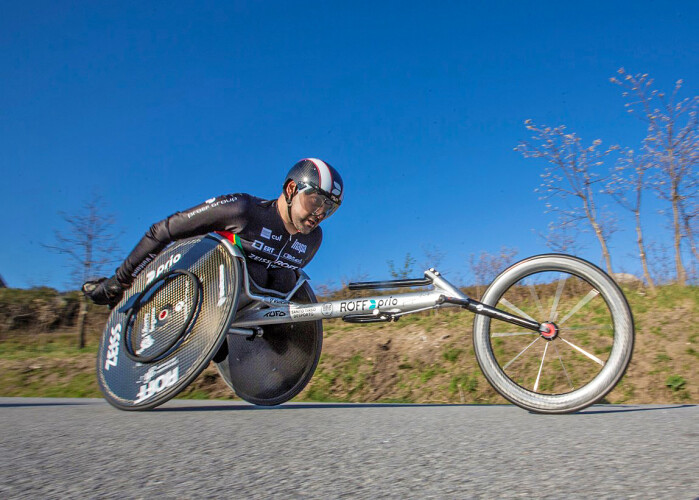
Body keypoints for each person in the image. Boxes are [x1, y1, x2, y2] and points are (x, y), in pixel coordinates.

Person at [83, 158, 344, 308]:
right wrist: (119, 281)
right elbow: (162, 230)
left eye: (329, 208)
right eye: (316, 200)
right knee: (251, 271)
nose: (320, 213)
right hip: (196, 280)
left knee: (284, 278)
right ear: (290, 190)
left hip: (242, 308)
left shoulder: (313, 240)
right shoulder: (242, 210)